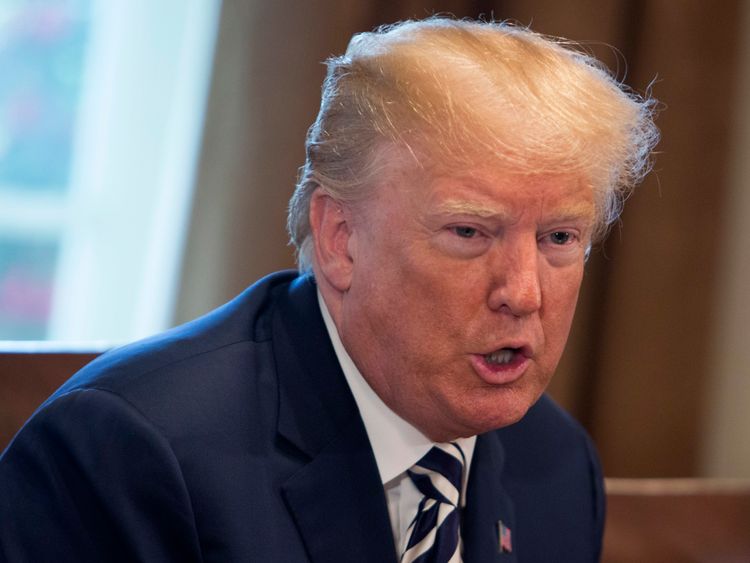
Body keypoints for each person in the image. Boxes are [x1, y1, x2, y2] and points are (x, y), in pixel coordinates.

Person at [0, 18, 657, 562]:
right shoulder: (131, 454)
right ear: (341, 239)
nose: (524, 293)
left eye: (560, 239)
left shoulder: (559, 466)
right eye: (469, 232)